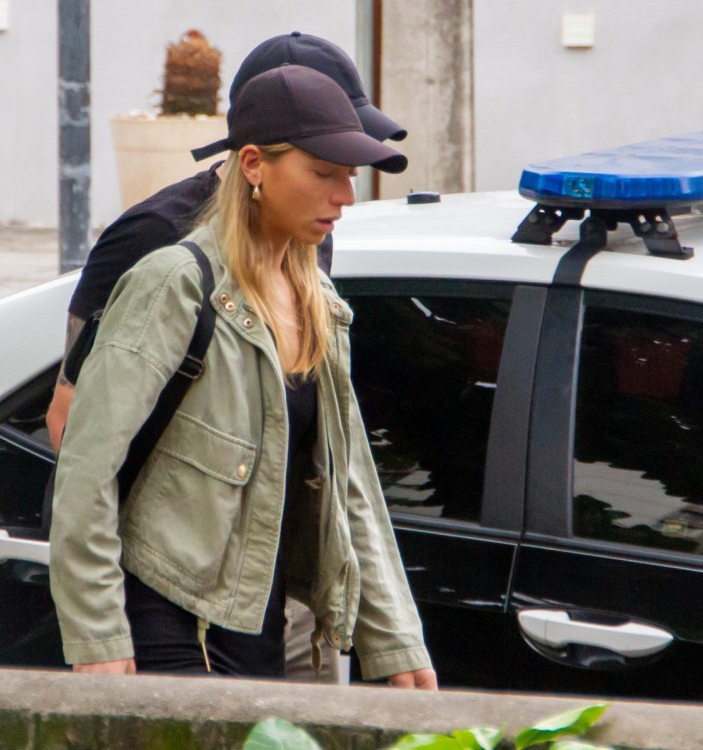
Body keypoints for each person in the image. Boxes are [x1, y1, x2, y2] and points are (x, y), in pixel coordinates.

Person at [49, 65, 436, 689]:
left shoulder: (319, 301)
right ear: (253, 164)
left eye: (349, 176)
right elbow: (85, 465)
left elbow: (350, 481)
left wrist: (395, 641)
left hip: (258, 621)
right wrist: (98, 631)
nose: (346, 196)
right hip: (165, 615)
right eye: (324, 172)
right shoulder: (175, 280)